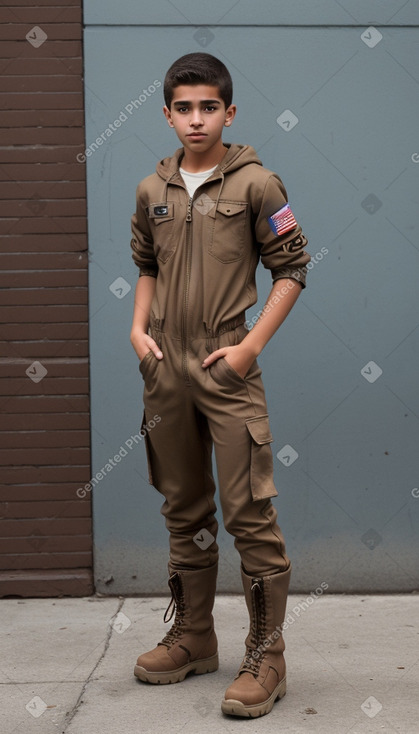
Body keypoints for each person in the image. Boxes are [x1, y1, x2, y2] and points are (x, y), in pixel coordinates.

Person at [129, 52, 310, 718]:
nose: (196, 119)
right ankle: (194, 637)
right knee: (183, 509)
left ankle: (268, 656)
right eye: (184, 107)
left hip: (225, 369)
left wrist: (248, 347)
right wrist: (137, 329)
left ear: (228, 113)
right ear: (168, 113)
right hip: (165, 371)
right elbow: (144, 262)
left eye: (209, 107)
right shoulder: (153, 190)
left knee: (249, 516)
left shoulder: (258, 184)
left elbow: (291, 269)